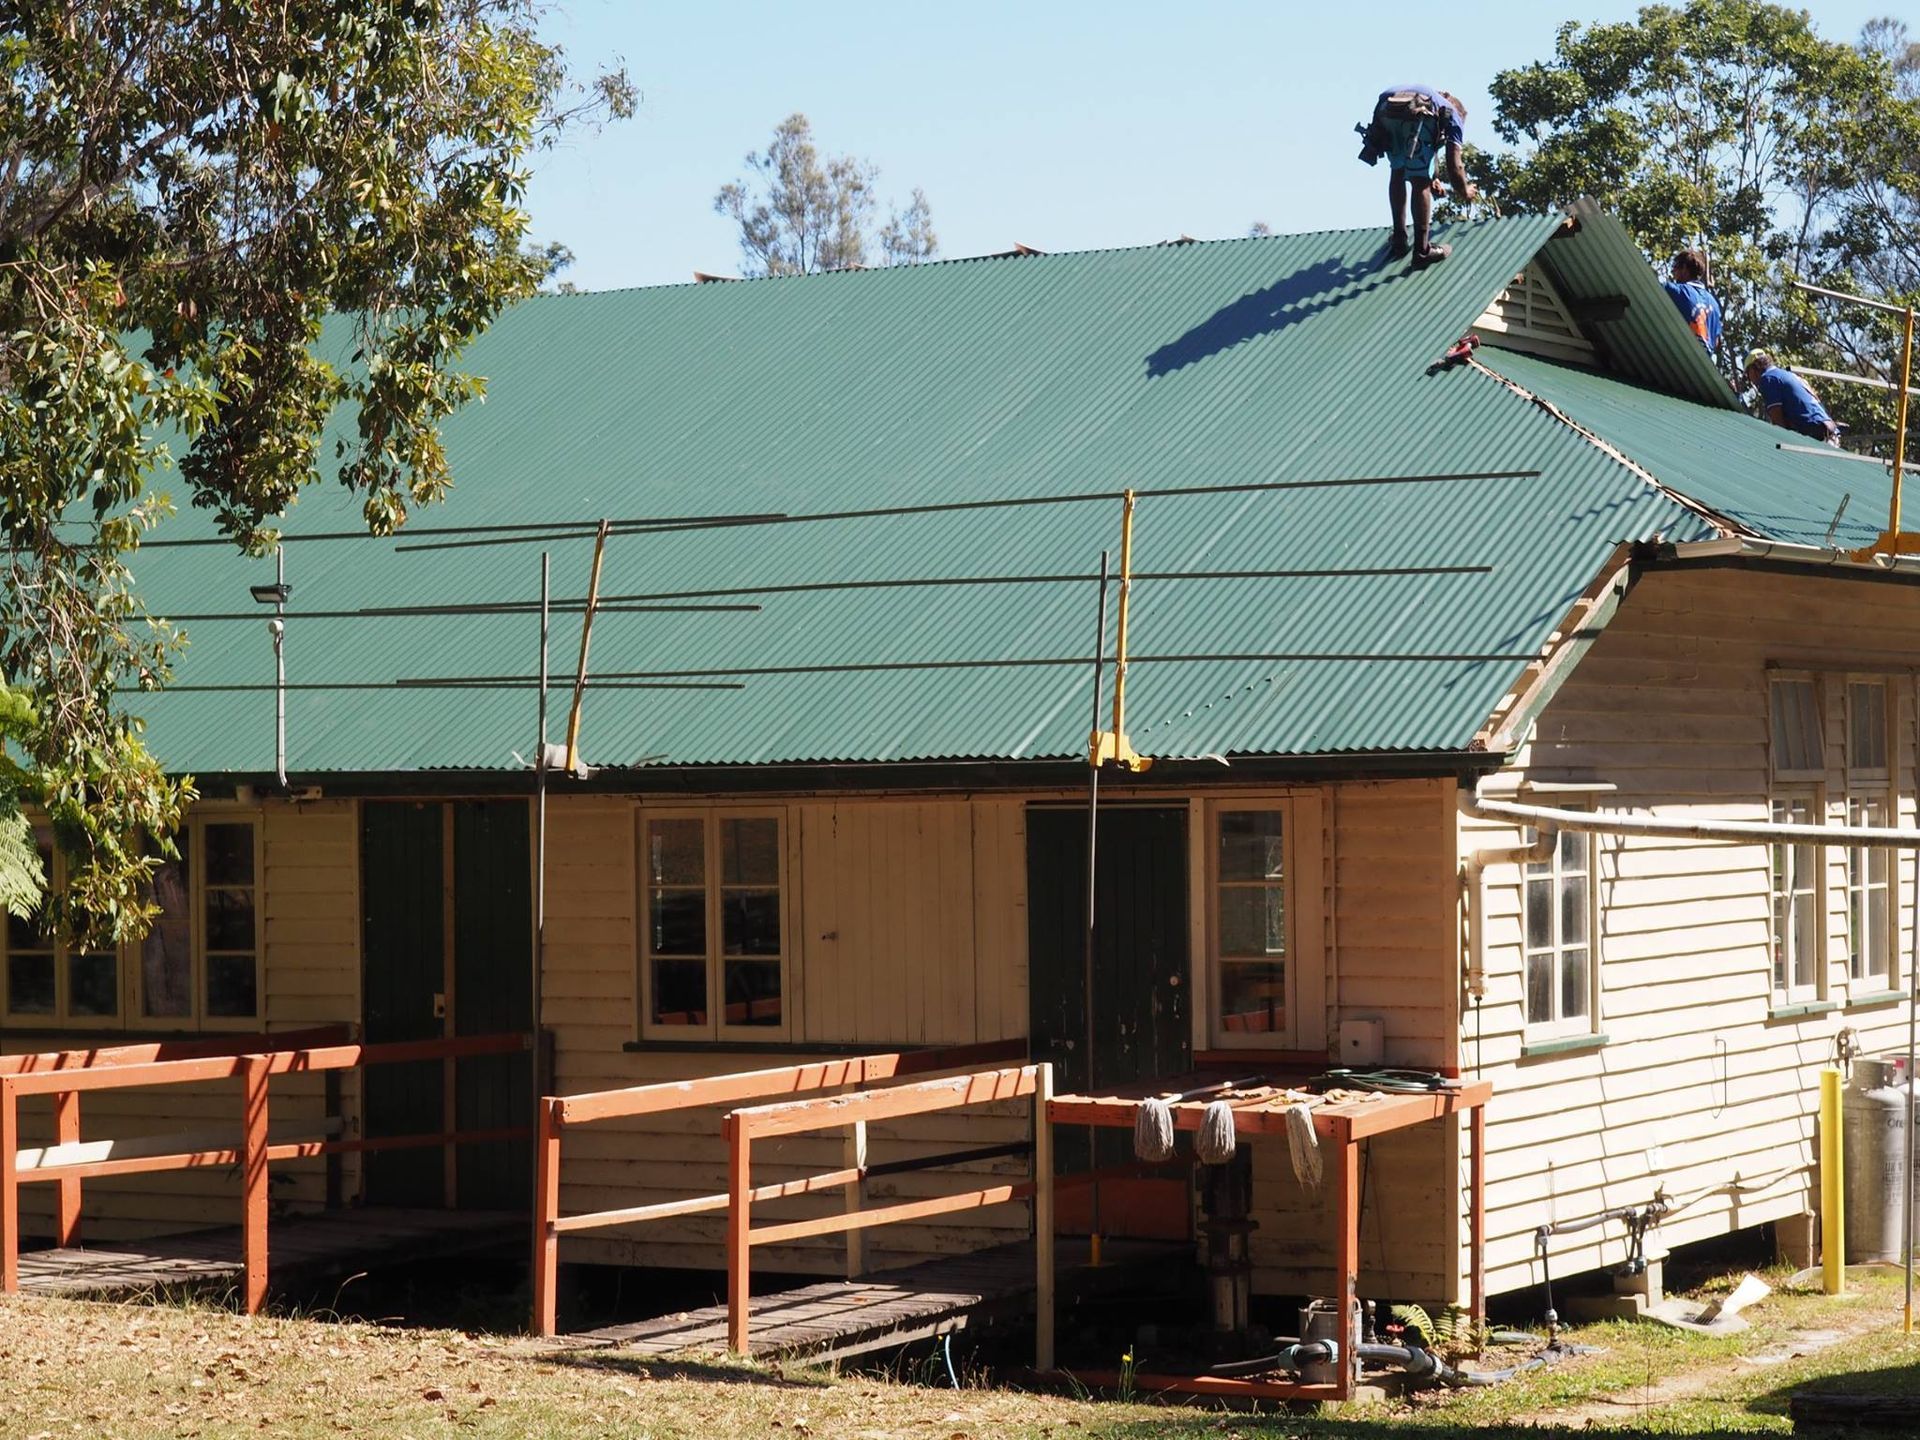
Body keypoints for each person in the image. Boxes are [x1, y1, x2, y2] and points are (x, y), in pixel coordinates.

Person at [1357, 85, 1478, 267]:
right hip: (1418, 113)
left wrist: (1433, 178)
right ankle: (1422, 251)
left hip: (1386, 108)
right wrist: (1465, 190)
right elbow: (1455, 165)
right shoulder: (1454, 115)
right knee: (1419, 182)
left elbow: (1423, 153)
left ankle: (1399, 240)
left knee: (1397, 171)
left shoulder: (1434, 99)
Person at [1744, 350, 1841, 445]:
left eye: (1748, 374)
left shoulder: (1768, 379)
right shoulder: (1786, 374)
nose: (1749, 379)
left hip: (1815, 433)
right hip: (1829, 429)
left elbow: (1778, 421)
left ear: (1754, 368)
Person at [1662, 249, 1722, 353]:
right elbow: (1716, 342)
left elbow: (1648, 288)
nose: (1673, 272)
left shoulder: (1676, 291)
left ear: (1684, 268)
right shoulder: (1715, 305)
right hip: (1703, 366)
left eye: (1675, 267)